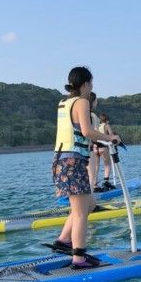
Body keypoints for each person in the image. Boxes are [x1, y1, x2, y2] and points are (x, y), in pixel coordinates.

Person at [53, 67, 121, 268]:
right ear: (86, 84)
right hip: (72, 162)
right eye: (90, 83)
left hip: (62, 161)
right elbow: (87, 131)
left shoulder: (63, 102)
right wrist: (111, 137)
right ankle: (79, 258)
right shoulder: (82, 102)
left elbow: (78, 132)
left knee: (89, 205)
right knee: (82, 212)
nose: (91, 87)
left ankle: (63, 241)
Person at [94, 112, 116, 191]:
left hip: (96, 148)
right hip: (103, 147)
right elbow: (111, 135)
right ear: (106, 120)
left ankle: (95, 185)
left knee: (96, 167)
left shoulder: (97, 126)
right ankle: (106, 182)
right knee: (107, 164)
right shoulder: (106, 125)